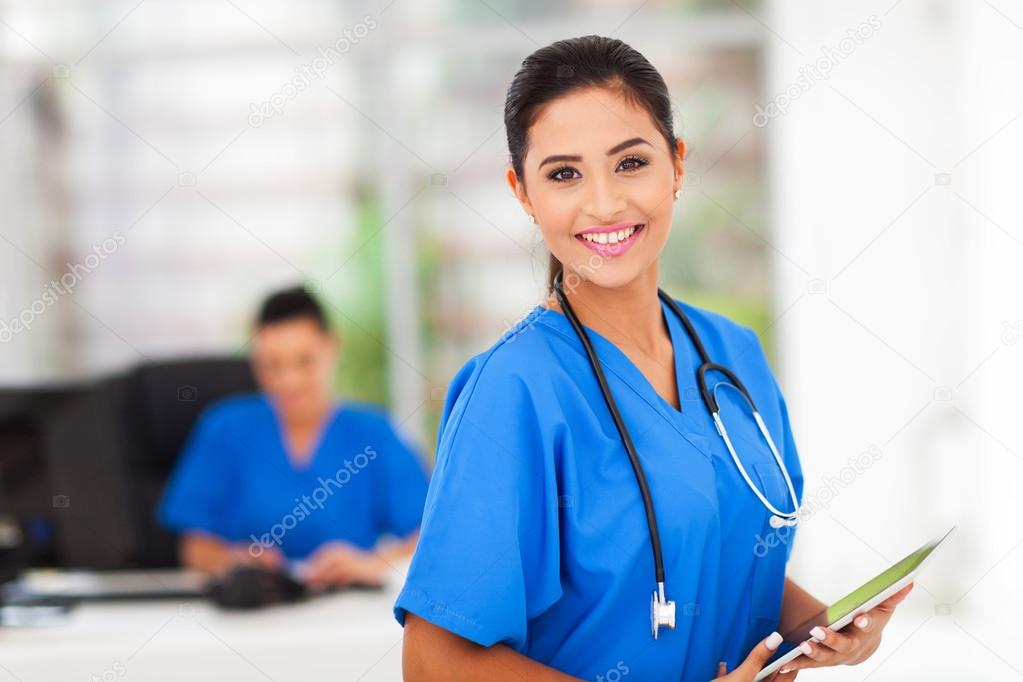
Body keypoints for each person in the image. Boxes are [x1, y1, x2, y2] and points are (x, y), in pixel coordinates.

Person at [394, 35, 912, 680]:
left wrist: (824, 630)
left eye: (630, 163)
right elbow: (434, 661)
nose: (605, 203)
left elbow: (722, 556)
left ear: (677, 164)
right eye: (563, 174)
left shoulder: (732, 356)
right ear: (522, 193)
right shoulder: (513, 389)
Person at [159, 286, 429, 588]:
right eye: (272, 365)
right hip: (253, 608)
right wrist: (234, 559)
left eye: (304, 362)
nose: (289, 381)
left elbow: (428, 537)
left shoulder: (375, 433)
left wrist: (371, 565)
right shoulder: (224, 429)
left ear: (332, 347)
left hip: (348, 611)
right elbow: (195, 549)